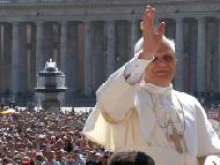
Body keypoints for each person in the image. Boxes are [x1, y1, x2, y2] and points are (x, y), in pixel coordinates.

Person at [82, 5, 220, 165]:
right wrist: (145, 54)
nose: (162, 64)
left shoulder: (192, 104)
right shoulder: (129, 98)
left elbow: (210, 151)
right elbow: (108, 101)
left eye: (167, 58)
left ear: (176, 63)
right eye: (154, 59)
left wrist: (212, 161)